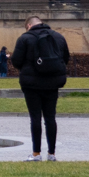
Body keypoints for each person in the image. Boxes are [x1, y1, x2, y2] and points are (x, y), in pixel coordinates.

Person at [10, 16, 70, 161]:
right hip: (52, 83)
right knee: (50, 118)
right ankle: (52, 153)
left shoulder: (25, 38)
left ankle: (36, 153)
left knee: (35, 118)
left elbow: (16, 61)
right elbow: (65, 58)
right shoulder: (58, 37)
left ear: (29, 25)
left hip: (31, 84)